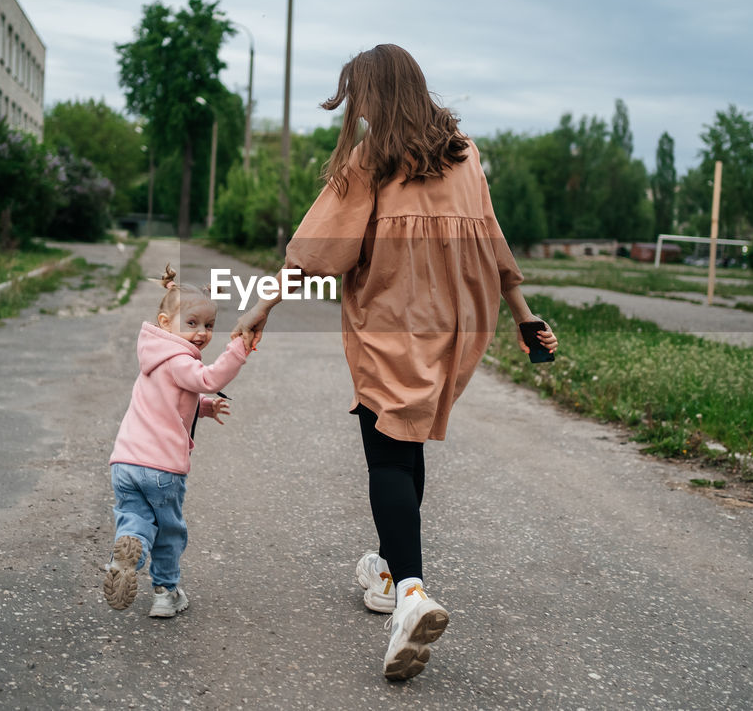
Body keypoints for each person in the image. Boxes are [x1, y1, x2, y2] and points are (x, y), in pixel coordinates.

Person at [231, 44, 557, 680]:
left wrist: (261, 305)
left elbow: (317, 252)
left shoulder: (372, 161)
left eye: (360, 97)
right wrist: (525, 316)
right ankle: (387, 574)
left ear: (373, 96)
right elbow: (492, 236)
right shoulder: (464, 153)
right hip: (458, 326)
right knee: (407, 447)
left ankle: (410, 592)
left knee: (386, 451)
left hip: (393, 324)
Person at [104, 264, 250, 618]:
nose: (201, 333)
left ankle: (131, 547)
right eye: (192, 323)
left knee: (135, 518)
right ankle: (165, 593)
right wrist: (238, 348)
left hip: (125, 463)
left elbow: (168, 401)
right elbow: (209, 376)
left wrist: (202, 407)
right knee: (169, 530)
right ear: (166, 322)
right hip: (161, 469)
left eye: (209, 326)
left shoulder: (153, 356)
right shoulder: (181, 359)